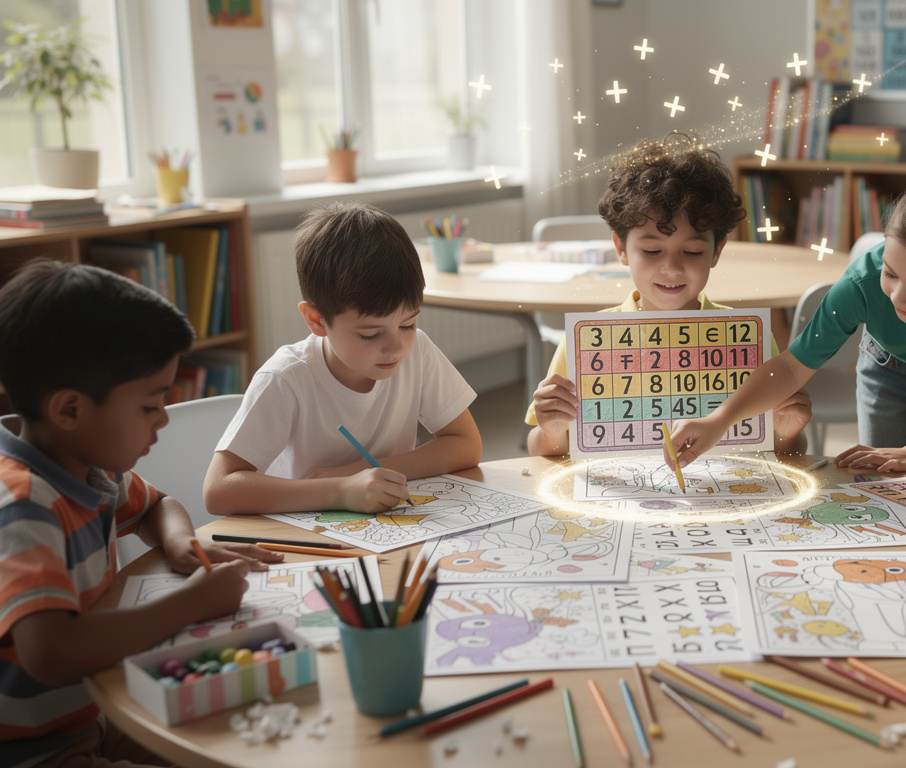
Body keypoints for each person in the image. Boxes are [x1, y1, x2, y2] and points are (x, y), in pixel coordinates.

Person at [0, 260, 268, 768]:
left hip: (97, 713)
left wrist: (181, 544)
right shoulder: (22, 505)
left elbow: (158, 507)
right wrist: (191, 604)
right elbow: (51, 652)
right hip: (36, 751)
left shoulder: (85, 465)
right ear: (71, 410)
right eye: (150, 405)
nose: (163, 419)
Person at [667, 166, 906, 472]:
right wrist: (718, 420)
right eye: (891, 271)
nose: (897, 296)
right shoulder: (861, 281)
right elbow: (790, 367)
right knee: (887, 489)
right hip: (891, 374)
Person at [526, 132, 811, 457]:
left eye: (691, 252)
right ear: (621, 249)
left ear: (716, 251)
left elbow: (788, 451)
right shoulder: (586, 341)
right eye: (651, 250)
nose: (672, 268)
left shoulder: (750, 340)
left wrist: (787, 434)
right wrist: (550, 430)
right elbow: (542, 451)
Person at [205, 202, 482, 515]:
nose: (396, 347)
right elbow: (218, 490)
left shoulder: (417, 350)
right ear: (317, 320)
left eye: (408, 324)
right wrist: (340, 489)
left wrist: (358, 470)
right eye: (370, 334)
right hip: (305, 534)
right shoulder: (287, 378)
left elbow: (466, 443)